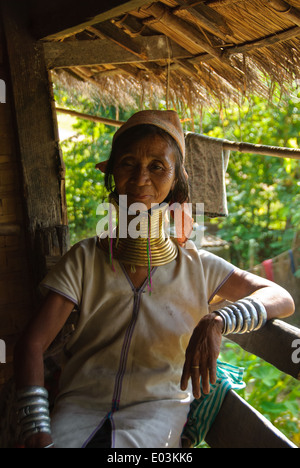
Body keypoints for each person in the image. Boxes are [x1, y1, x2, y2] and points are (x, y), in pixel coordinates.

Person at [14, 110, 295, 449]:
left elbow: (279, 296)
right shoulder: (86, 259)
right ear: (113, 173)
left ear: (176, 180)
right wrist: (36, 429)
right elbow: (32, 344)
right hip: (79, 408)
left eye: (157, 166)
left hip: (156, 416)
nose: (141, 178)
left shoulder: (197, 266)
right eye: (128, 163)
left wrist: (218, 319)